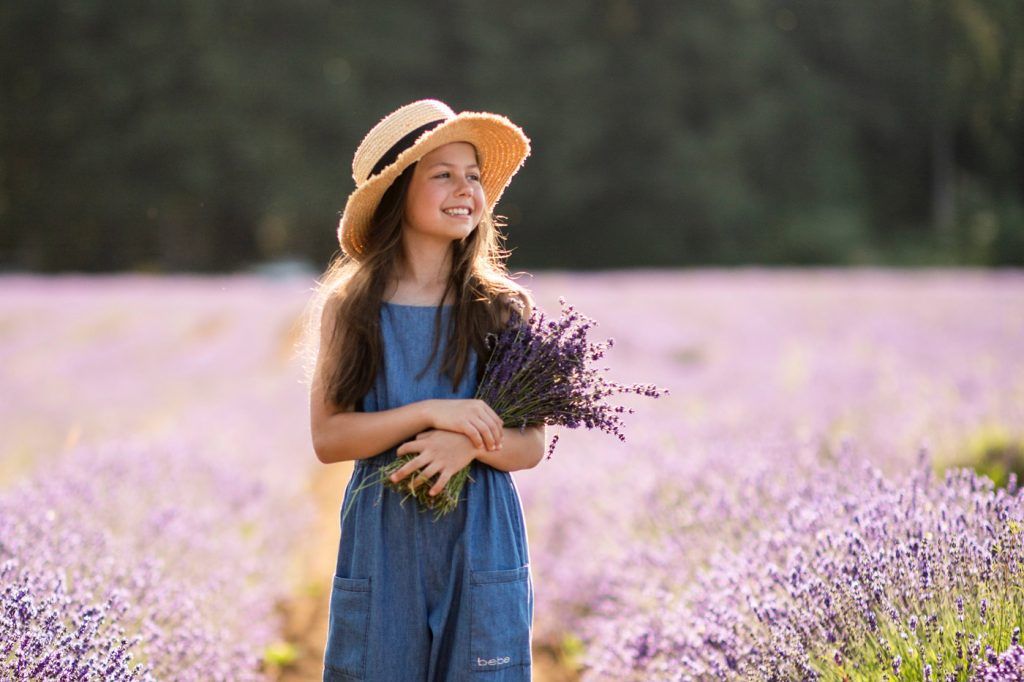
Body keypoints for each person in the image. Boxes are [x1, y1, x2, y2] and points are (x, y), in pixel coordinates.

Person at [301, 98, 545, 682]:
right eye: (443, 175)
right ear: (396, 195)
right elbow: (329, 438)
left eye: (474, 176)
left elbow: (530, 446)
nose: (465, 189)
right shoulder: (350, 308)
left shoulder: (504, 309)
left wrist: (464, 444)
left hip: (480, 537)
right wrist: (434, 413)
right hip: (384, 538)